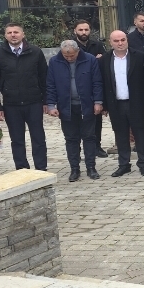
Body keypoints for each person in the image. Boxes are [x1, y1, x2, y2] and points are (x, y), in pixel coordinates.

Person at [0, 22, 48, 171]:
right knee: (17, 140)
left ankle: (41, 169)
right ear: (5, 35)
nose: (13, 35)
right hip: (11, 105)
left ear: (23, 34)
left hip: (34, 103)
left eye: (16, 32)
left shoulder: (35, 52)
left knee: (38, 138)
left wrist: (47, 101)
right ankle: (22, 169)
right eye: (9, 33)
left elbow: (44, 78)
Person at [46, 40, 103, 182]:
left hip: (86, 105)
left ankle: (91, 167)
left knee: (89, 137)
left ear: (78, 51)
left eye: (72, 55)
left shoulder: (90, 59)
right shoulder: (54, 62)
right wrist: (51, 105)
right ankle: (74, 168)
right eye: (66, 56)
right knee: (71, 139)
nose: (69, 58)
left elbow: (97, 82)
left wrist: (98, 102)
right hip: (66, 106)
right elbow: (51, 84)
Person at [101, 30, 144, 177]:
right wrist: (104, 105)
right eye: (116, 41)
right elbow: (103, 83)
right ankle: (124, 164)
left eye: (123, 40)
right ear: (110, 42)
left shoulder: (140, 56)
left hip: (137, 102)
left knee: (140, 134)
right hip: (116, 104)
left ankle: (143, 164)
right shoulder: (105, 60)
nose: (120, 43)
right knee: (121, 135)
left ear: (127, 40)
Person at [73, 20, 109, 158]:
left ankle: (96, 146)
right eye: (81, 30)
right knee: (76, 123)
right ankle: (76, 149)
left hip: (94, 87)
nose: (84, 32)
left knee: (96, 120)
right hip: (77, 87)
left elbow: (105, 62)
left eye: (86, 30)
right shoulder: (71, 45)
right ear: (75, 31)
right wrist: (94, 59)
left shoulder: (97, 45)